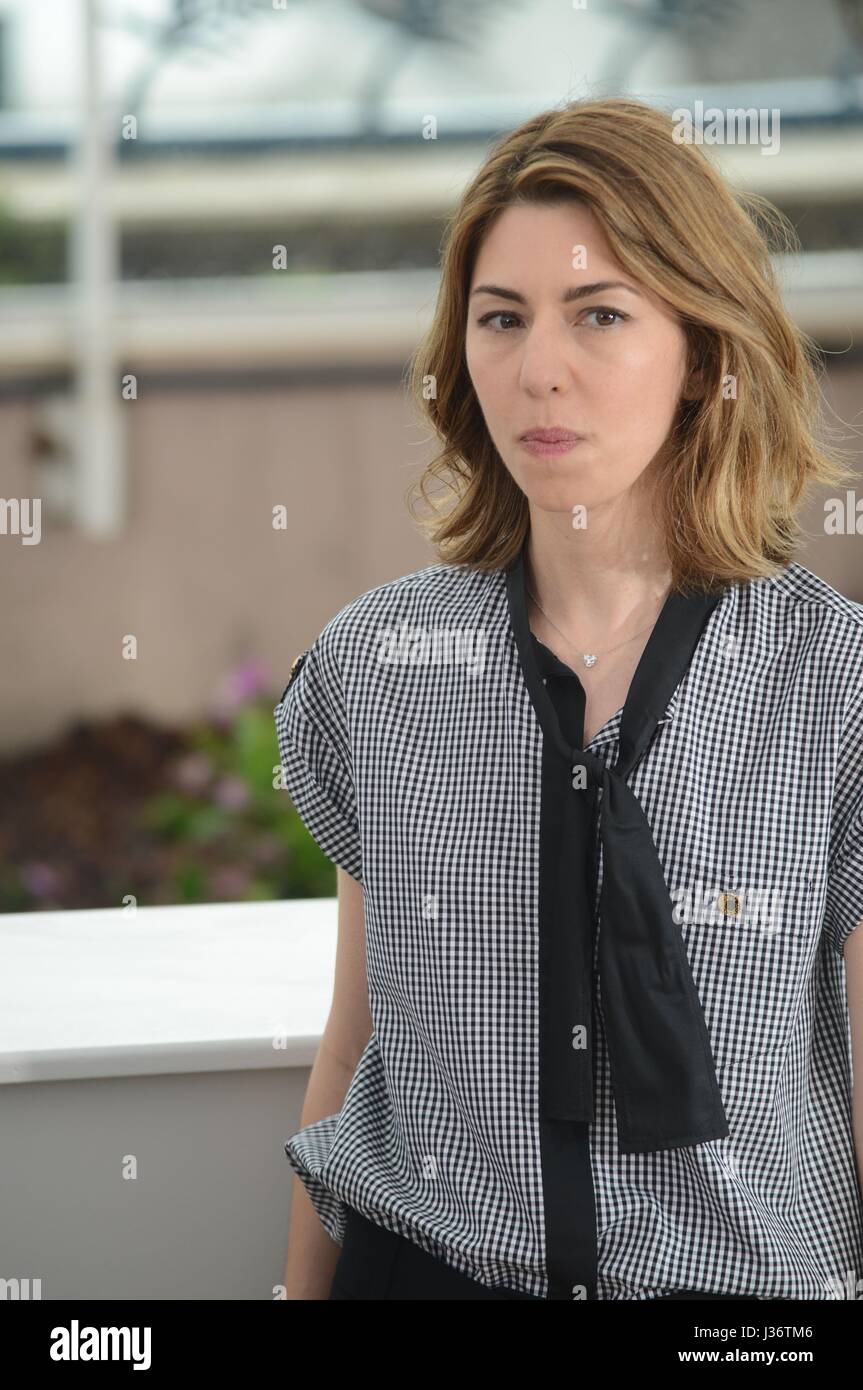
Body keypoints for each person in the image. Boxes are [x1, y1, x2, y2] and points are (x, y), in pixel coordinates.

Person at [275, 96, 863, 1301]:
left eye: (598, 314)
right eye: (501, 319)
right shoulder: (375, 668)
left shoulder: (833, 685)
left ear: (701, 353)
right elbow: (355, 1042)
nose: (538, 368)